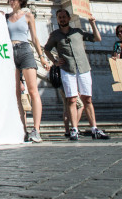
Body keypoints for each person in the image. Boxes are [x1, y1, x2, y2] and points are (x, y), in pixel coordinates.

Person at [44, 9, 109, 141]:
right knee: (72, 100)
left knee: (88, 99)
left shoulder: (78, 32)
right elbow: (46, 49)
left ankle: (94, 128)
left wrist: (92, 24)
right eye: (59, 17)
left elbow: (97, 38)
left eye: (64, 17)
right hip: (67, 69)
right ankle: (74, 129)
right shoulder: (55, 35)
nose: (62, 19)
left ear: (68, 18)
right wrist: (54, 61)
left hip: (83, 68)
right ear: (57, 20)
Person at [5, 0, 50, 143]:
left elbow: (35, 38)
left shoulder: (28, 15)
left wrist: (42, 58)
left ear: (20, 0)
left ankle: (36, 129)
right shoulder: (5, 17)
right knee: (17, 93)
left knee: (33, 90)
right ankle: (22, 129)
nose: (11, 2)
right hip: (10, 52)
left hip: (25, 50)